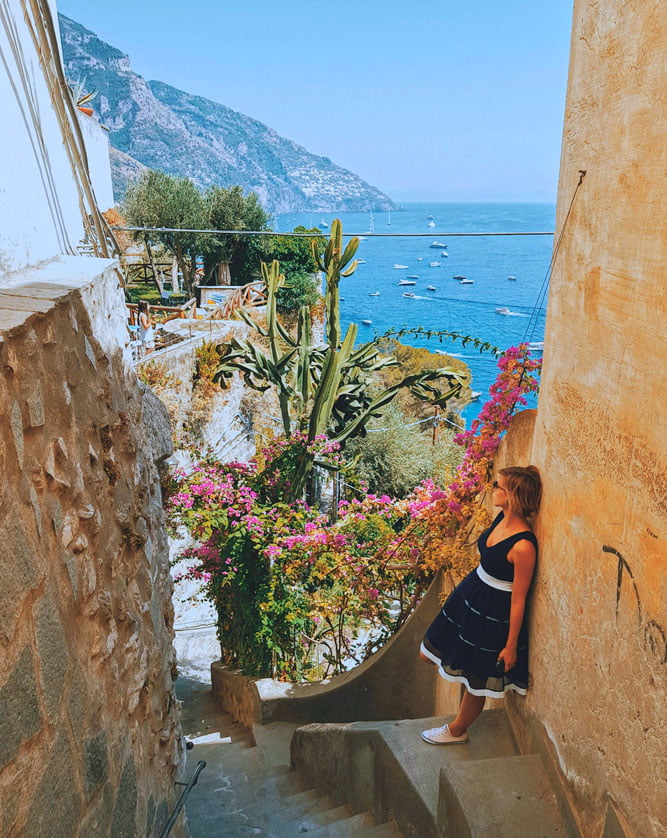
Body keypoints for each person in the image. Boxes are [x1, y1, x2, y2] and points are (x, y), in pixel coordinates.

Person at [420, 465, 542, 744]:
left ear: (512, 495)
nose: (493, 490)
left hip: (493, 610)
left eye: (499, 486)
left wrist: (510, 646)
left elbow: (519, 598)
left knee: (477, 676)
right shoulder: (502, 518)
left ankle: (457, 731)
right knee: (429, 652)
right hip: (472, 592)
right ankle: (457, 726)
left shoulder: (524, 545)